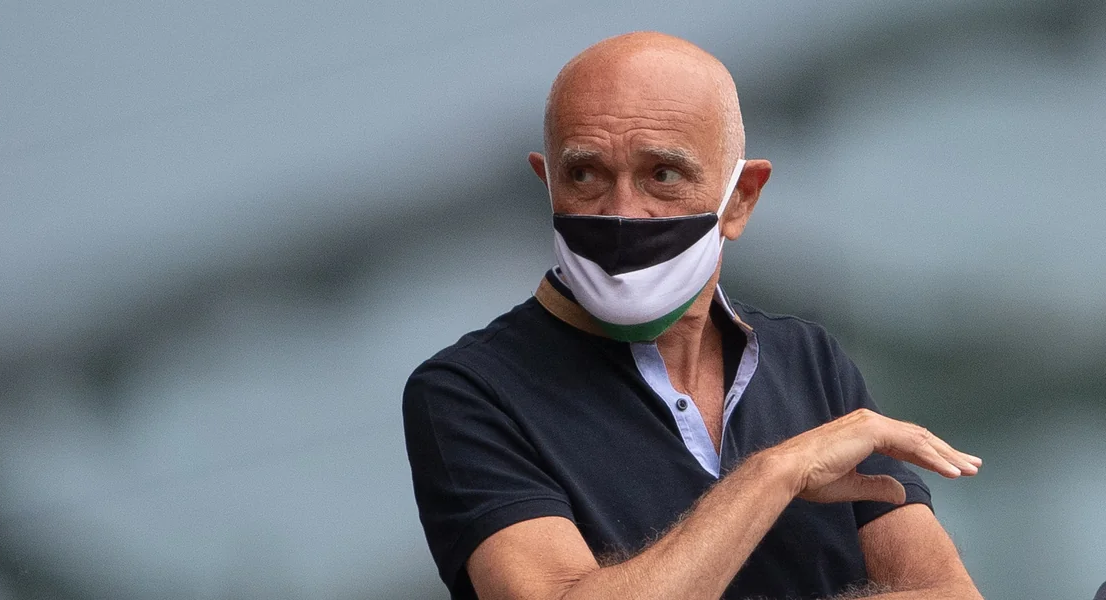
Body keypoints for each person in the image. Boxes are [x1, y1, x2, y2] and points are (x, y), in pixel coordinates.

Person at [402, 32, 983, 600]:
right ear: (547, 184)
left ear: (741, 198)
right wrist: (774, 474)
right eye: (585, 174)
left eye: (663, 175)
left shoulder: (808, 360)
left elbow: (948, 593)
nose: (623, 213)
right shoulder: (469, 393)